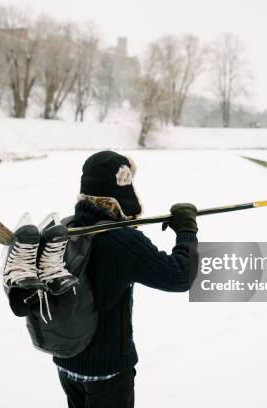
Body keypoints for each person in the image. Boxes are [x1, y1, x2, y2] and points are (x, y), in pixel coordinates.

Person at [51, 150, 199, 408]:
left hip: (67, 361)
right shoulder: (120, 241)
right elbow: (180, 276)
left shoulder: (67, 229)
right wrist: (186, 231)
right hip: (107, 372)